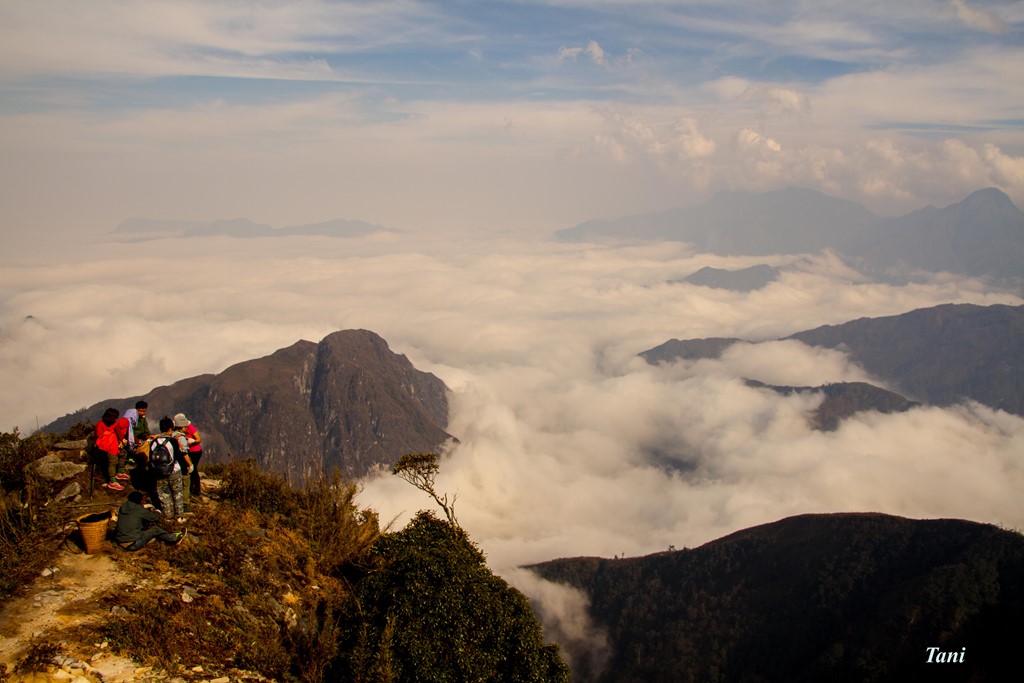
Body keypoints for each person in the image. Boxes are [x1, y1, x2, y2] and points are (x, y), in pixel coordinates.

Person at [113, 490, 185, 551]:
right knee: (155, 529)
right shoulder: (138, 509)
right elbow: (154, 518)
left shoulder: (123, 507)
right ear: (140, 501)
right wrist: (157, 512)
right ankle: (173, 538)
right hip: (134, 544)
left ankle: (167, 537)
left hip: (121, 542)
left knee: (145, 531)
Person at [151, 416, 192, 523]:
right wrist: (187, 467)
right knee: (177, 493)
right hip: (174, 471)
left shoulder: (154, 442)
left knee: (164, 495)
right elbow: (178, 456)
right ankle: (179, 517)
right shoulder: (172, 441)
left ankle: (168, 517)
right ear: (170, 429)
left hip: (159, 472)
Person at [94, 407, 130, 491]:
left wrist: (121, 440)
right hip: (107, 447)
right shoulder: (100, 424)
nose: (116, 419)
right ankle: (112, 481)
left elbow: (118, 433)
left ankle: (120, 472)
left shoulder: (114, 423)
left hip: (114, 444)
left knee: (123, 453)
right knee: (112, 462)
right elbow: (100, 437)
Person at [173, 412, 204, 499]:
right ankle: (190, 489)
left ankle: (196, 490)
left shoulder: (191, 428)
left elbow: (198, 439)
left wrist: (192, 441)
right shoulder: (178, 430)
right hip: (186, 451)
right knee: (188, 470)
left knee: (193, 470)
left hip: (195, 451)